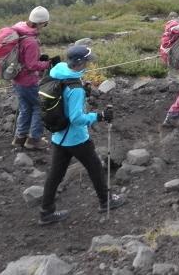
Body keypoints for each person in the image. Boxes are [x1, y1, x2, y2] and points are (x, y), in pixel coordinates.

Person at [37, 45, 122, 225]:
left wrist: (84, 91)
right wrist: (99, 116)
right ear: (79, 62)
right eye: (87, 61)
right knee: (95, 167)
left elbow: (64, 98)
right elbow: (76, 118)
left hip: (59, 136)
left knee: (55, 175)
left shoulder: (58, 71)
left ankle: (46, 212)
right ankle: (106, 201)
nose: (88, 64)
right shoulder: (75, 88)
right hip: (76, 138)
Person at [9, 7, 55, 150]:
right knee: (39, 107)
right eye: (45, 23)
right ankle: (34, 139)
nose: (45, 26)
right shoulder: (31, 41)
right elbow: (31, 65)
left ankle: (20, 138)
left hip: (16, 79)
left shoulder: (19, 31)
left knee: (25, 107)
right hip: (28, 81)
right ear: (40, 23)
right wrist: (47, 64)